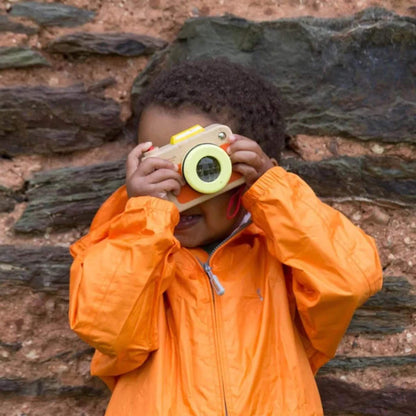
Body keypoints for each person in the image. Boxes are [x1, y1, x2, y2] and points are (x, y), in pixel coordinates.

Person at [69, 58, 383, 415]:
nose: (178, 188)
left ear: (244, 168)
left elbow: (352, 279)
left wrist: (272, 190)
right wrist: (144, 214)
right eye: (158, 167)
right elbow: (105, 324)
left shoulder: (281, 259)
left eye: (202, 166)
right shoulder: (135, 255)